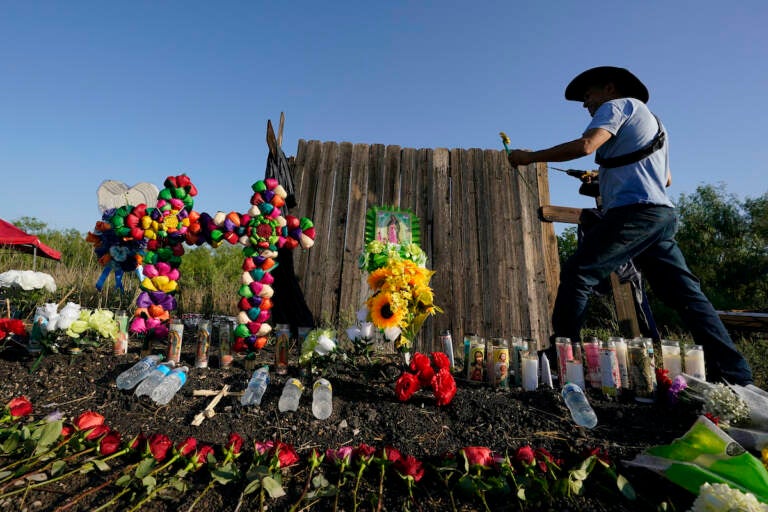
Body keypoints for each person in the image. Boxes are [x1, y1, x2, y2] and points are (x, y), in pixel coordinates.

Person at [506, 66, 753, 385]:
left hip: (634, 214)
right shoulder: (656, 123)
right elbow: (665, 179)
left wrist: (529, 157)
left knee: (579, 272)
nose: (586, 104)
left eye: (588, 95)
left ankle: (561, 358)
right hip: (660, 216)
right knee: (686, 295)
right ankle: (735, 374)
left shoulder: (618, 106)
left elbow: (585, 146)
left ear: (609, 88)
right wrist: (605, 181)